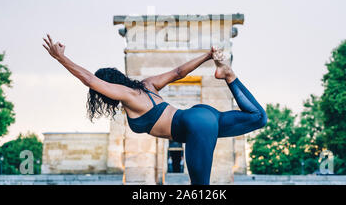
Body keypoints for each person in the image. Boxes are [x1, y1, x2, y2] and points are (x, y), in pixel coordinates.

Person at [42, 34, 267, 185]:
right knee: (258, 117)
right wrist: (207, 56)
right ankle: (228, 75)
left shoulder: (128, 95)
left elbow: (90, 79)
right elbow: (179, 71)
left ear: (110, 87)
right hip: (203, 115)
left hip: (193, 125)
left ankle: (226, 73)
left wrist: (61, 58)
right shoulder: (147, 85)